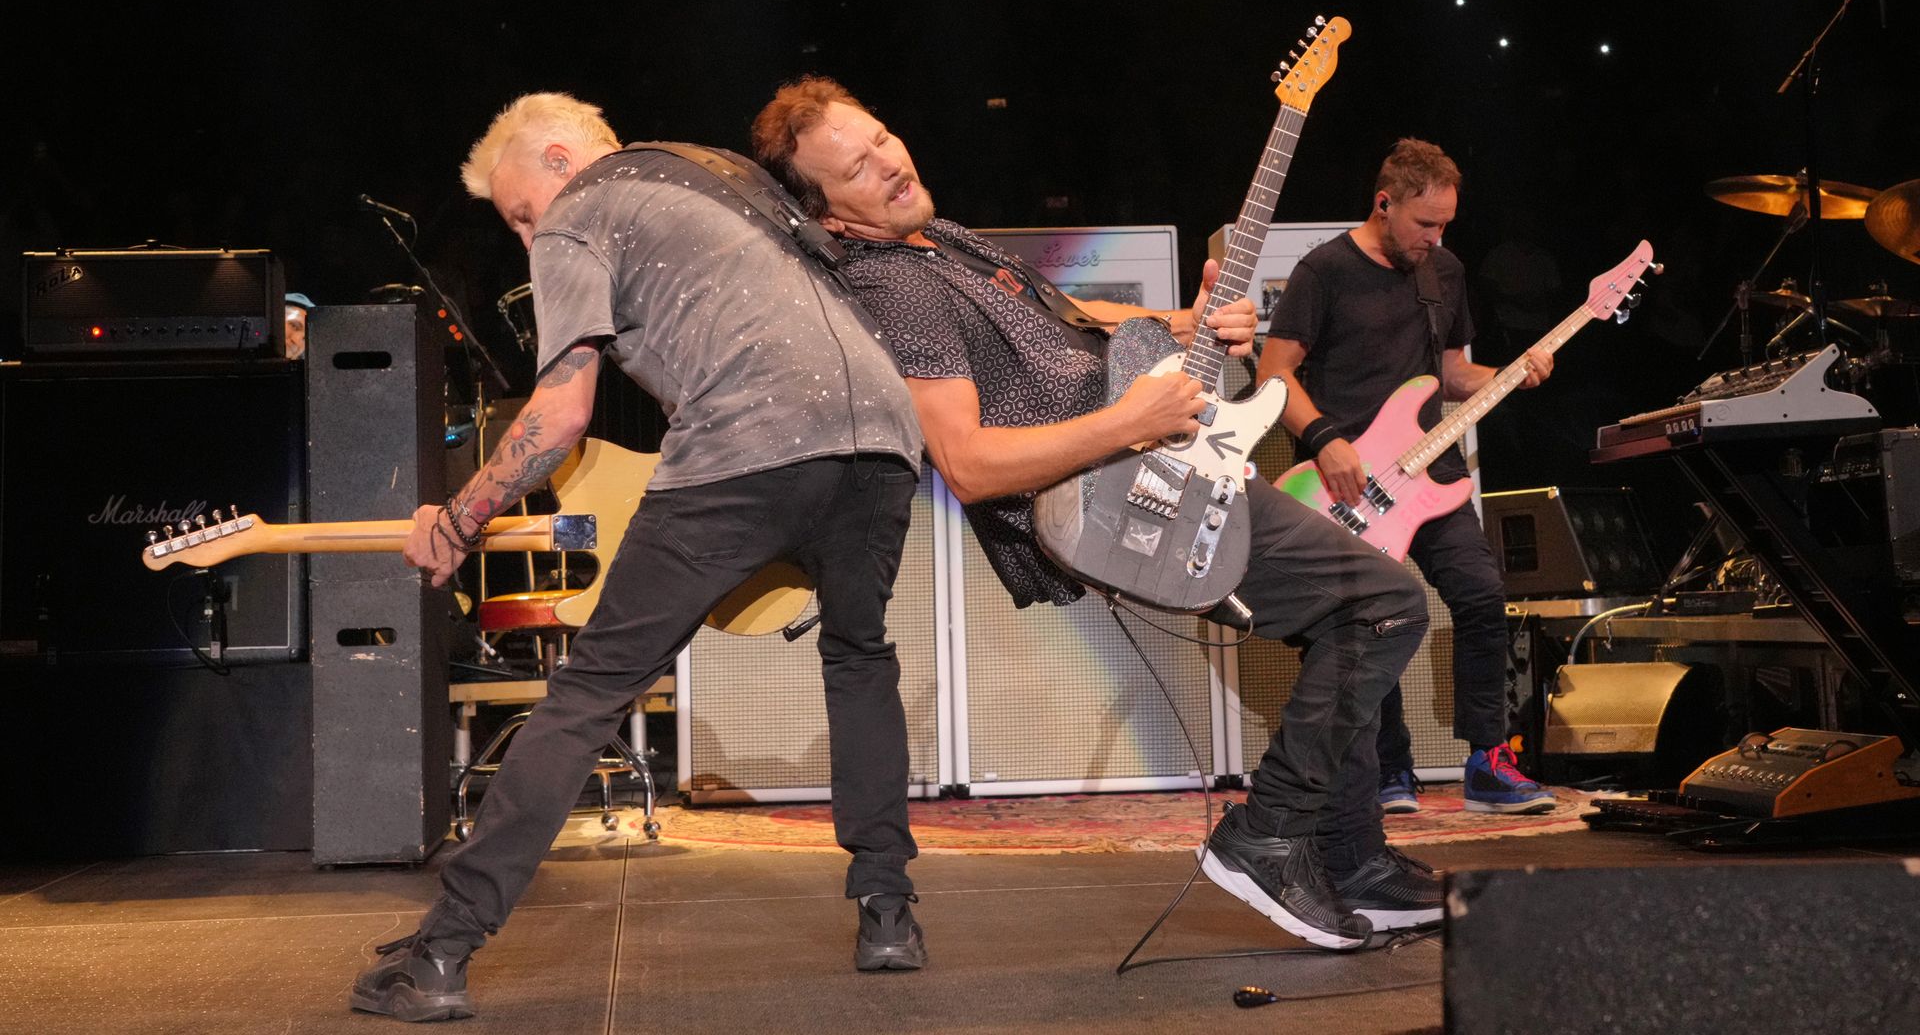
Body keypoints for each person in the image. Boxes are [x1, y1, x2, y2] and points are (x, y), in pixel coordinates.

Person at [754, 77, 1438, 952]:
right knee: (1383, 603)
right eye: (857, 167)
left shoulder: (941, 240)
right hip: (1123, 496)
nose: (889, 163)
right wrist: (1133, 421)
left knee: (1347, 616)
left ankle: (1351, 856)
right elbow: (966, 464)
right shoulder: (893, 289)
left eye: (881, 137)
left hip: (1157, 459)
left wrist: (1190, 318)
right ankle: (1270, 834)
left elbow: (1076, 317)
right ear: (830, 215)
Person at [351, 92, 929, 1023]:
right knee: (859, 657)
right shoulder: (720, 171)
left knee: (589, 692)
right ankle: (889, 913)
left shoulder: (580, 212)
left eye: (518, 213)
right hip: (883, 444)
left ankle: (443, 951)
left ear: (555, 158)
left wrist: (458, 520)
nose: (527, 233)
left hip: (745, 448)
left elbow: (561, 416)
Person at [1254, 138, 1558, 816]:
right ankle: (1389, 770)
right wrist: (1326, 438)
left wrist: (1512, 375)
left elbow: (1449, 374)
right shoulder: (1323, 270)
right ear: (1383, 204)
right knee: (1375, 616)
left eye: (1446, 223)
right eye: (1425, 224)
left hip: (1432, 473)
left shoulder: (1443, 272)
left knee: (1482, 597)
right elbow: (1272, 372)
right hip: (1349, 479)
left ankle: (1487, 761)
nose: (1437, 237)